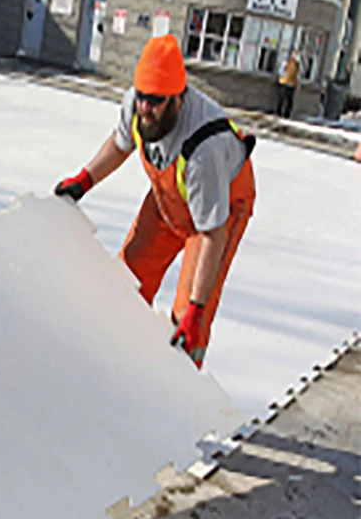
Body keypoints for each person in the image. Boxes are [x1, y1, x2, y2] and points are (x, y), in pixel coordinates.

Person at [53, 34, 255, 369]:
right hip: (172, 197)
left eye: (156, 101)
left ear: (178, 99)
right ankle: (110, 361)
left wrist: (196, 309)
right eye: (143, 97)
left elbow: (211, 234)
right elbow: (121, 144)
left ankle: (182, 387)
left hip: (220, 206)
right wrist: (85, 179)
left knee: (185, 323)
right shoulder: (138, 105)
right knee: (127, 277)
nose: (146, 107)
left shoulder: (203, 148)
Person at [276, 49, 299, 118]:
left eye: (296, 55)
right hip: (284, 82)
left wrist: (297, 84)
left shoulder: (297, 64)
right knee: (281, 99)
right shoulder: (286, 62)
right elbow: (281, 71)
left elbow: (297, 75)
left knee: (290, 101)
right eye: (294, 54)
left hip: (292, 84)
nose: (295, 56)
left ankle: (287, 114)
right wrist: (285, 76)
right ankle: (278, 113)